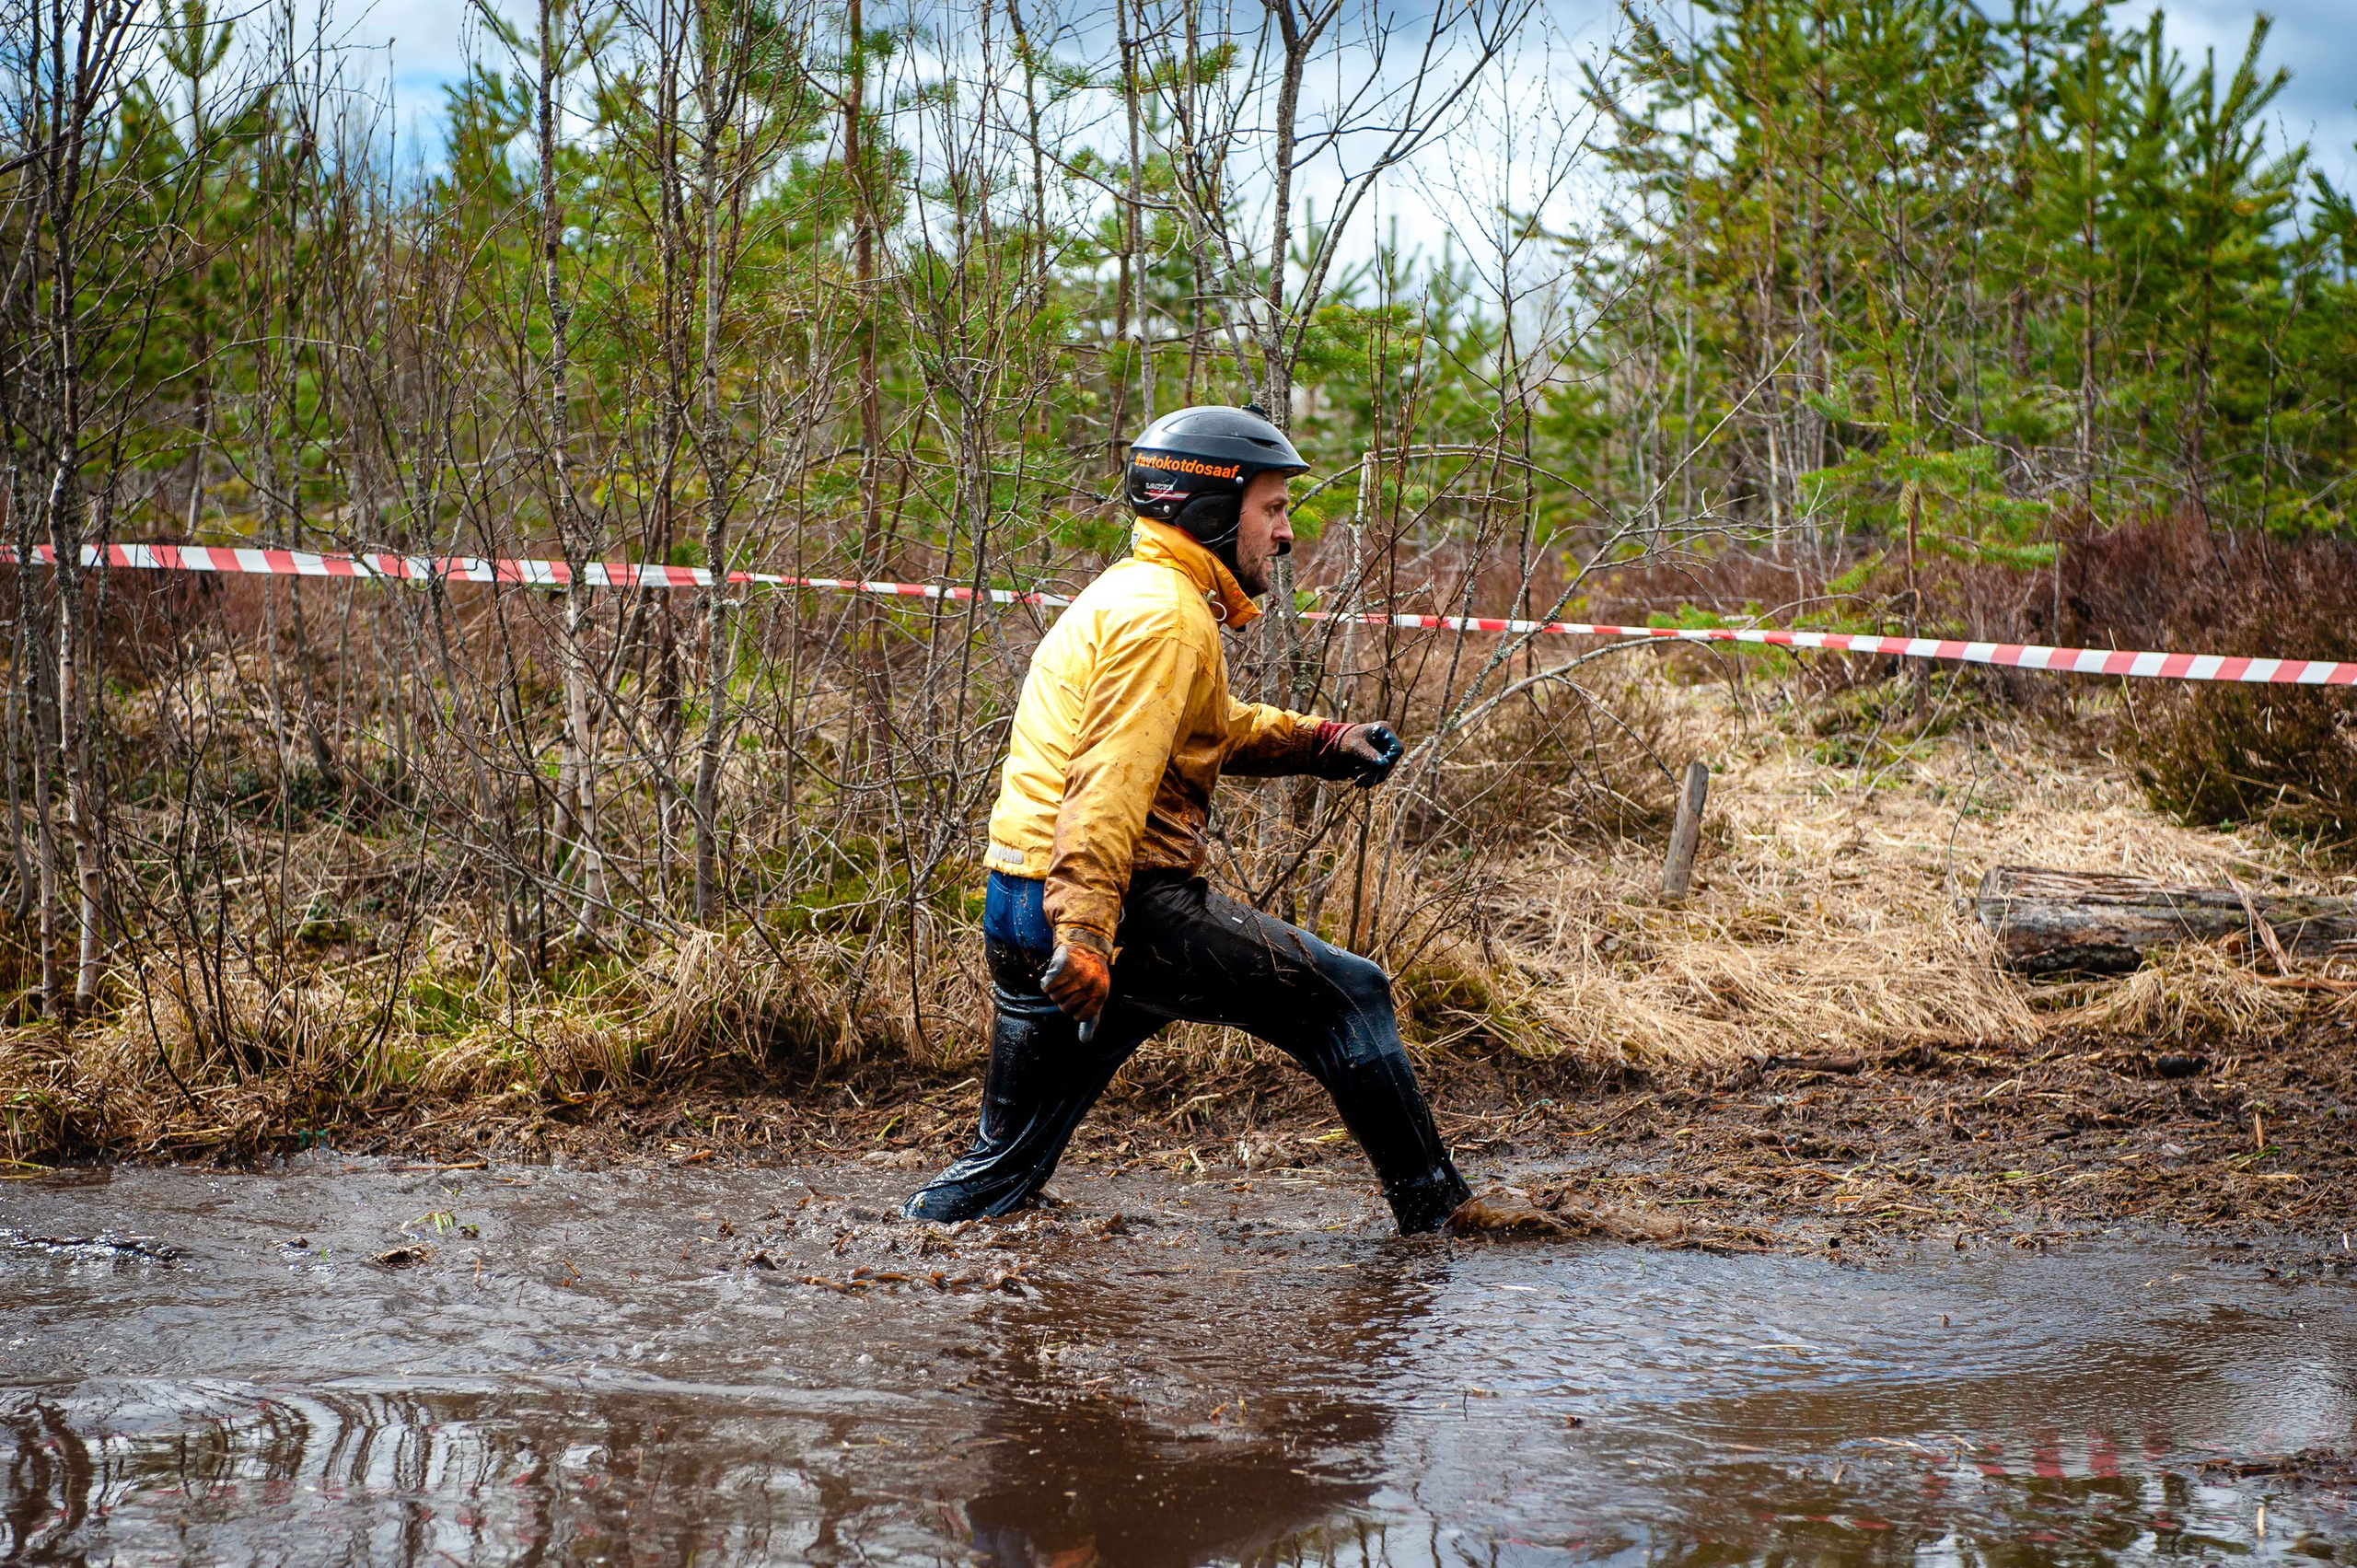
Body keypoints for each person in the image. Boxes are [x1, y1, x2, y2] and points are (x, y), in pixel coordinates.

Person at [902, 404, 1472, 1234]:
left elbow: (1205, 727)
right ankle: (1443, 1225)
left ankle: (903, 1262)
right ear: (1209, 506)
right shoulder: (1167, 618)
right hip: (1112, 913)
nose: (1283, 533)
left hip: (1023, 903)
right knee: (1351, 996)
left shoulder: (1139, 594)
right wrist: (1090, 937)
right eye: (1271, 508)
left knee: (1003, 1169)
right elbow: (1105, 785)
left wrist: (1322, 741)